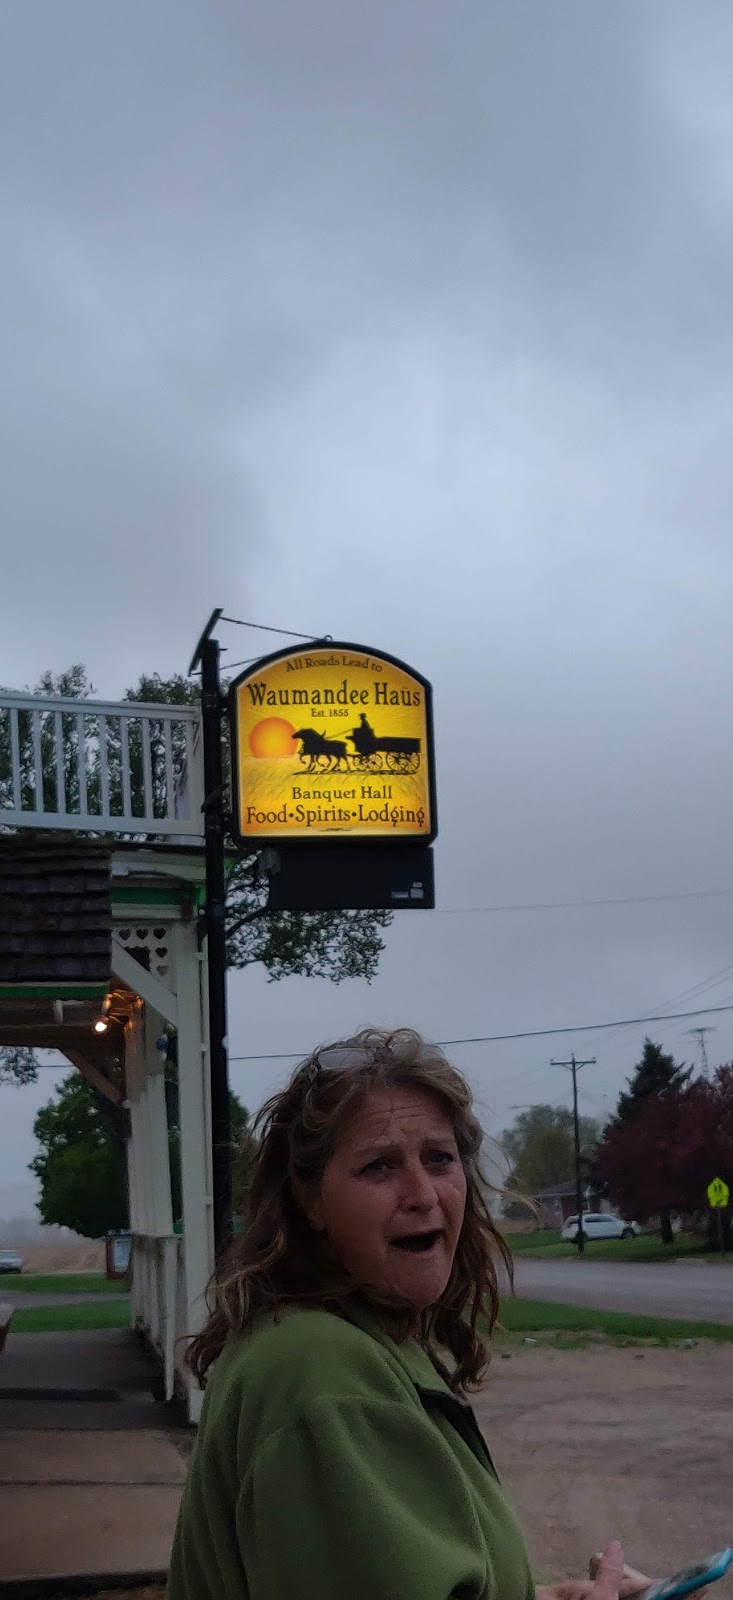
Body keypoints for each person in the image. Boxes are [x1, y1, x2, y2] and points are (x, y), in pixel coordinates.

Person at [167, 1028, 650, 1600]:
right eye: (379, 1167)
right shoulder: (322, 1374)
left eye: (439, 1159)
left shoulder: (363, 1336)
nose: (423, 1194)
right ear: (310, 1199)